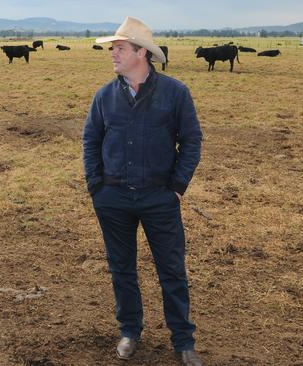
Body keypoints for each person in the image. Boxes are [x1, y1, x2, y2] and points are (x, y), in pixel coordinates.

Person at [82, 16, 203, 366]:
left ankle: (183, 341)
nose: (112, 54)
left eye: (119, 48)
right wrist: (96, 186)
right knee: (122, 268)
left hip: (159, 197)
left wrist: (177, 188)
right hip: (113, 198)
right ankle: (130, 331)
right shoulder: (104, 96)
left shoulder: (175, 93)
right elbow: (90, 140)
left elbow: (191, 141)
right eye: (112, 48)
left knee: (172, 270)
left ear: (141, 53)